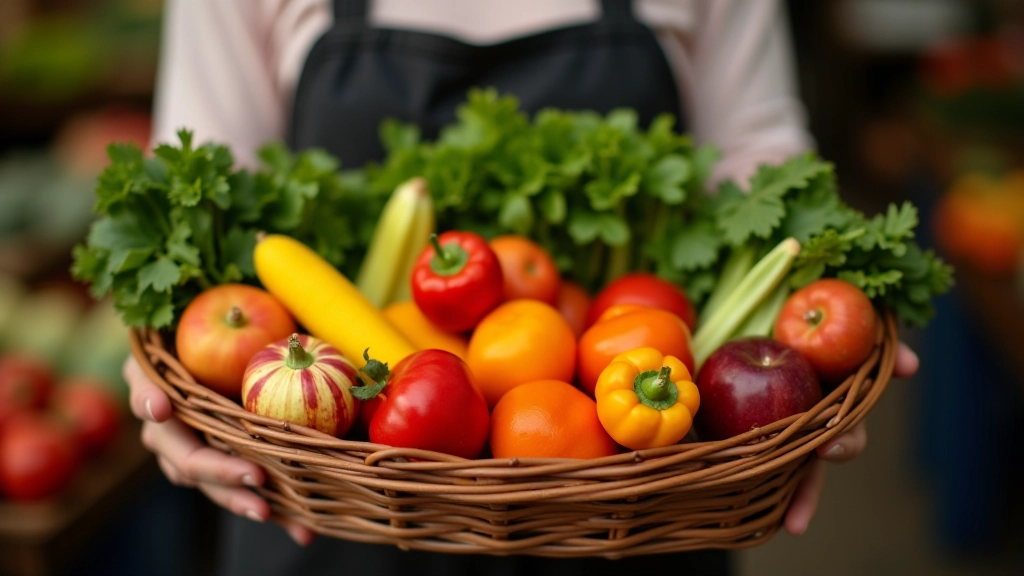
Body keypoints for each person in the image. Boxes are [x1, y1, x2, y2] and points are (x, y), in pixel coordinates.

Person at [129, 1, 922, 574]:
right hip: (327, 513)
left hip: (643, 512)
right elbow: (206, 186)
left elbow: (759, 161)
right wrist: (165, 350)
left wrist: (825, 332)